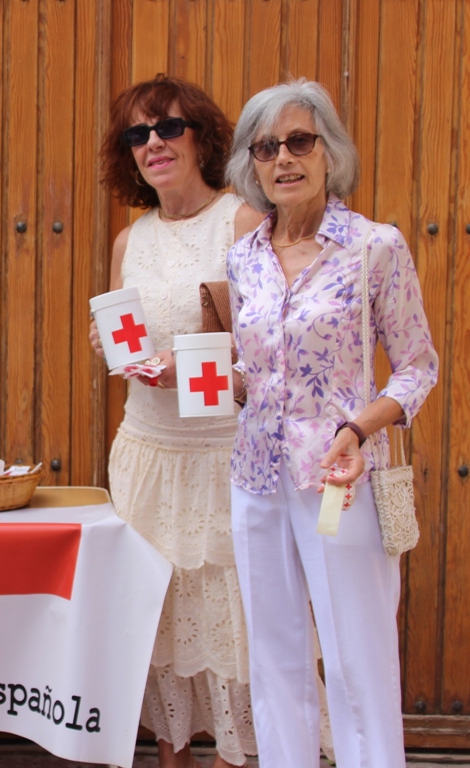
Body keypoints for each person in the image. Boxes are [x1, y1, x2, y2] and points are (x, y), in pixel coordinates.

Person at [224, 80, 438, 767]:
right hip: (253, 478)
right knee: (274, 657)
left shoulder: (374, 247)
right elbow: (253, 375)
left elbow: (416, 365)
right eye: (266, 147)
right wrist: (191, 374)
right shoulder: (242, 258)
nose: (283, 158)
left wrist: (357, 427)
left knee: (355, 659)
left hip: (337, 481)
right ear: (250, 165)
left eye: (298, 141)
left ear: (327, 153)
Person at [92, 75, 265, 768]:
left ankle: (234, 757)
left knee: (233, 625)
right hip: (145, 452)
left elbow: (265, 359)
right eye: (138, 134)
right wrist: (115, 352)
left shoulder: (242, 222)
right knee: (157, 616)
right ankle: (169, 753)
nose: (153, 144)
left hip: (222, 456)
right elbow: (123, 339)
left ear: (201, 137)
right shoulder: (126, 238)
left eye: (167, 128)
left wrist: (190, 370)